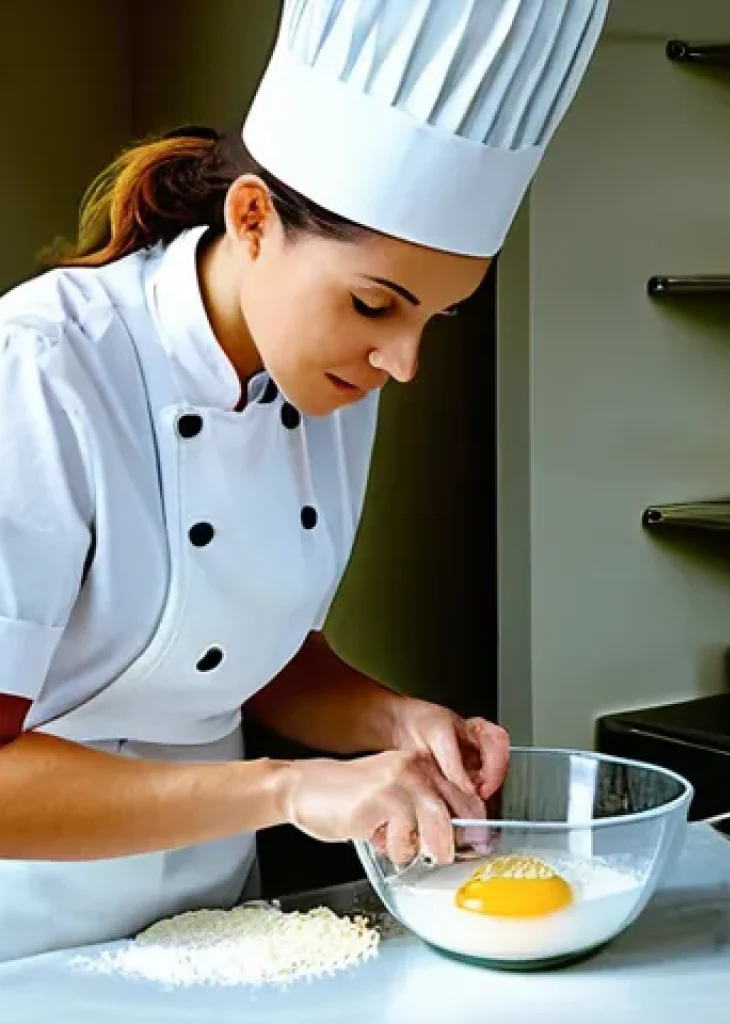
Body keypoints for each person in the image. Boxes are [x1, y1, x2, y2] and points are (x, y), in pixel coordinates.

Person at [0, 0, 608, 961]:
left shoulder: (325, 373)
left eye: (433, 321)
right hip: (22, 944)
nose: (400, 363)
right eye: (375, 305)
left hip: (209, 928)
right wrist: (292, 789)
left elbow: (236, 644)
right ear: (251, 219)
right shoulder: (40, 371)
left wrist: (396, 721)